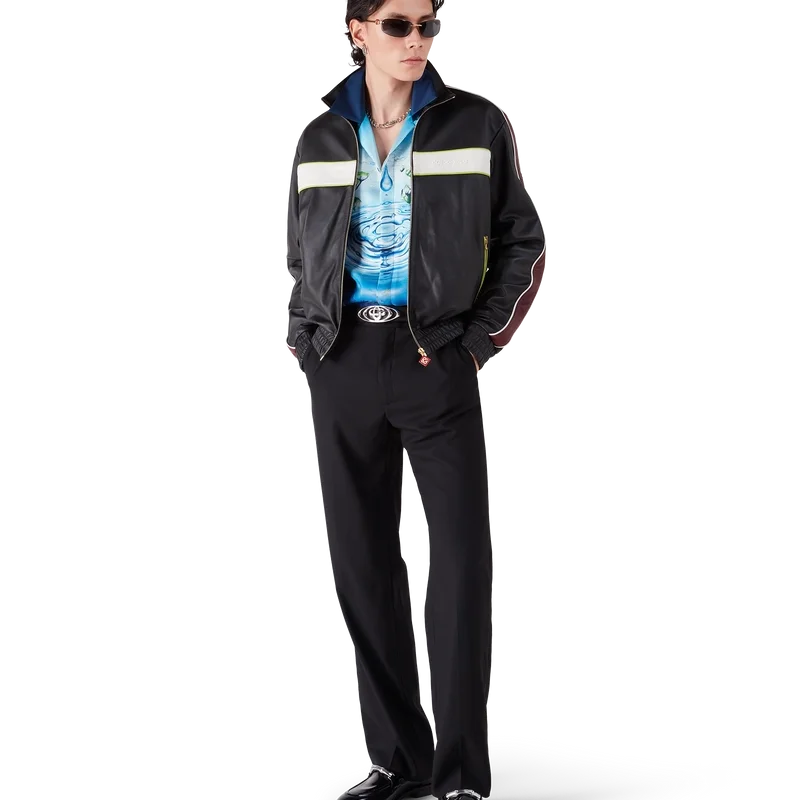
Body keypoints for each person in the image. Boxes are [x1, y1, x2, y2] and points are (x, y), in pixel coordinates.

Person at [284, 0, 546, 797]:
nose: (418, 40)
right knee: (362, 565)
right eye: (399, 25)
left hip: (437, 356)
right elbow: (305, 250)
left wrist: (476, 344)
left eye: (428, 24)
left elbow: (523, 241)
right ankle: (395, 761)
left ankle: (460, 773)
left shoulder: (474, 122)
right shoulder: (321, 135)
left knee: (460, 561)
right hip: (342, 359)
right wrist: (308, 340)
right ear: (358, 31)